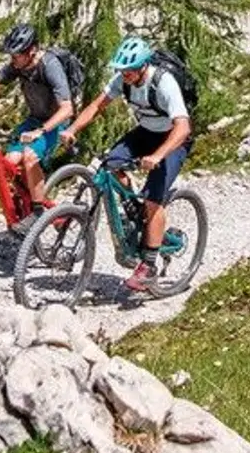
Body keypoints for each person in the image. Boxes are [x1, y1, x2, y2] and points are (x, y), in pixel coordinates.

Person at [57, 35, 192, 294]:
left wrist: (157, 156)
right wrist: (72, 129)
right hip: (146, 132)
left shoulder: (164, 82)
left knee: (153, 200)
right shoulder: (123, 79)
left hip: (173, 139)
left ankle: (148, 266)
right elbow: (97, 105)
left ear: (142, 67)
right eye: (121, 70)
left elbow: (183, 127)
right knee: (109, 164)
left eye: (128, 71)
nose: (123, 75)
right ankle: (134, 209)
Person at [0, 23, 74, 221]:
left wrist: (41, 131)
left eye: (16, 55)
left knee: (30, 157)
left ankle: (37, 214)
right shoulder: (18, 65)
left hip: (56, 123)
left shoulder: (50, 66)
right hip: (34, 119)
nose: (12, 59)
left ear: (31, 51)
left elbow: (67, 108)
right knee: (9, 163)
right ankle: (28, 199)